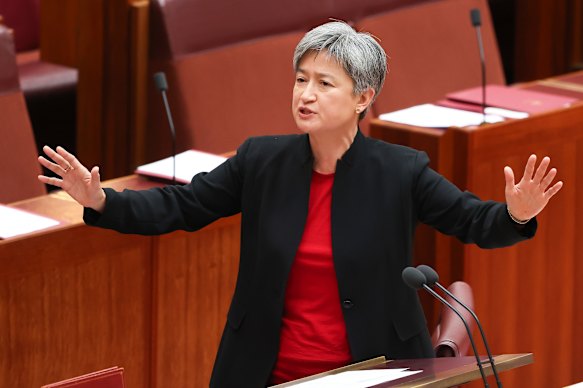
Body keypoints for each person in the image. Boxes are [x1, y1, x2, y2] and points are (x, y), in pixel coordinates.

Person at [38, 21, 562, 388]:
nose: (305, 94)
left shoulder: (400, 171)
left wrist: (517, 213)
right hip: (270, 374)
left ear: (363, 97)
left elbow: (474, 220)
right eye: (300, 79)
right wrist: (102, 200)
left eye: (324, 83)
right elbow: (183, 206)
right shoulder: (261, 161)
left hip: (373, 374)